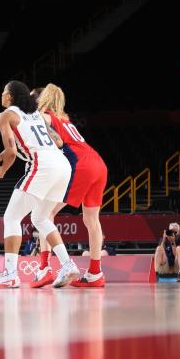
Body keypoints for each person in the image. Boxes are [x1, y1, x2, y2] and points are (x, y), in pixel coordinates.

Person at [0, 81, 77, 289]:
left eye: (4, 91)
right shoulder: (36, 114)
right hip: (62, 165)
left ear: (11, 96)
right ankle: (68, 264)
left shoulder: (4, 116)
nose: (1, 95)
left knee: (11, 217)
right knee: (40, 217)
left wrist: (2, 169)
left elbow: (13, 152)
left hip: (42, 165)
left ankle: (10, 274)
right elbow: (57, 141)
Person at [37, 84, 108, 288]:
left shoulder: (46, 115)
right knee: (91, 219)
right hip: (98, 163)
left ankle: (44, 268)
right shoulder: (67, 121)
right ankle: (95, 273)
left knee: (45, 213)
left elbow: (43, 128)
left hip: (82, 165)